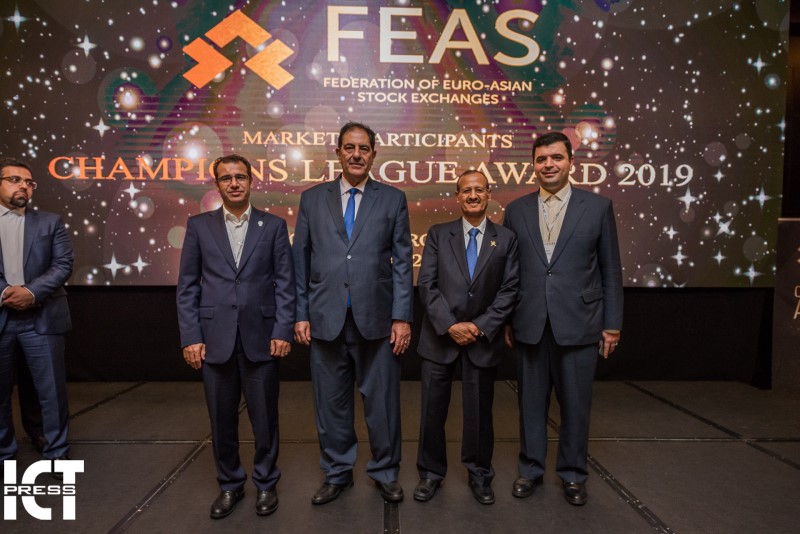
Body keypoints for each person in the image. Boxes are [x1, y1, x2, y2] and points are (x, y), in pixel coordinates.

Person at [293, 121, 413, 504]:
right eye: (349, 147)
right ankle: (337, 473)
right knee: (331, 405)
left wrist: (402, 317)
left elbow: (403, 263)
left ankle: (385, 472)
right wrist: (301, 313)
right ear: (338, 152)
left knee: (382, 405)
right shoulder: (312, 199)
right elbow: (300, 262)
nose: (356, 154)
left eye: (364, 148)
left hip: (378, 321)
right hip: (325, 319)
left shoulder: (393, 199)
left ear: (374, 154)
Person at [503, 132, 623, 506]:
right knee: (530, 404)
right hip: (529, 323)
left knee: (575, 405)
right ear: (533, 165)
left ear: (571, 162)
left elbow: (610, 270)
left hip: (580, 322)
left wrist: (612, 324)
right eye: (541, 159)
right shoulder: (516, 210)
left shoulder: (598, 207)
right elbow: (509, 272)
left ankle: (573, 474)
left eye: (556, 157)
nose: (549, 164)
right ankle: (530, 469)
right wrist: (507, 319)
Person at [177, 154, 295, 519]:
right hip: (214, 339)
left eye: (240, 177)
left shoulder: (273, 226)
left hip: (263, 337)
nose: (234, 183)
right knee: (221, 420)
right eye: (226, 178)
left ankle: (266, 483)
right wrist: (191, 336)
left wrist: (282, 329)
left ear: (251, 181)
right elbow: (187, 287)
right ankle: (230, 485)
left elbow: (285, 283)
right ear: (217, 184)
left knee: (265, 420)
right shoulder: (199, 226)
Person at [414, 170, 519, 505]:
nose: (473, 196)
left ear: (488, 194)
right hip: (440, 338)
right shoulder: (437, 234)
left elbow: (510, 290)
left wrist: (479, 326)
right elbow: (426, 285)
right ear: (457, 196)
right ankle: (430, 473)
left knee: (479, 413)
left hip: (481, 339)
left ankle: (479, 474)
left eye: (479, 190)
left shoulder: (506, 239)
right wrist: (450, 325)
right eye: (466, 190)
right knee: (432, 411)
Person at [0, 157, 73, 478]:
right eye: (15, 180)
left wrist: (30, 292)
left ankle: (57, 453)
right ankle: (4, 454)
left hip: (42, 318)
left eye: (29, 182)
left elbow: (63, 264)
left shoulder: (50, 222)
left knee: (51, 392)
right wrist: (5, 292)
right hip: (2, 317)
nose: (24, 187)